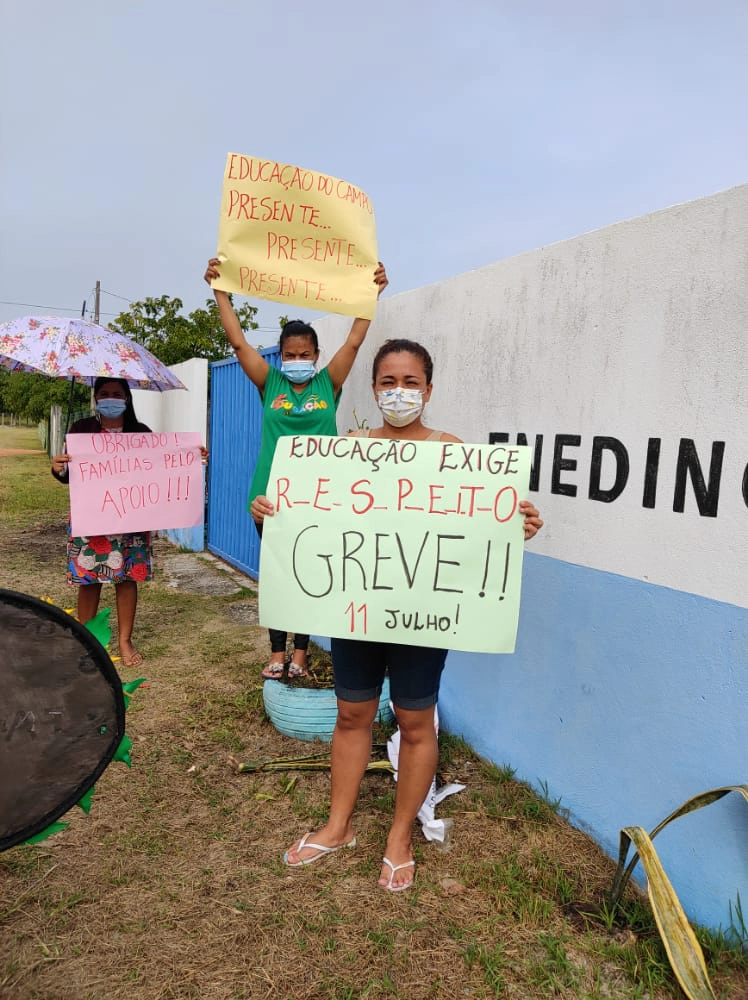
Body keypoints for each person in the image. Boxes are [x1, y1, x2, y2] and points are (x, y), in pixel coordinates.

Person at [252, 338, 544, 891]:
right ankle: (338, 825)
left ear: (428, 390)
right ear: (373, 389)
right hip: (357, 613)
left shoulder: (454, 453)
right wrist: (269, 508)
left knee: (415, 722)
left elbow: (484, 528)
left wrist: (518, 524)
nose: (399, 393)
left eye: (411, 383)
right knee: (351, 715)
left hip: (422, 619)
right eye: (389, 382)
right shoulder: (348, 452)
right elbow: (305, 512)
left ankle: (400, 836)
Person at [204, 257, 388, 680]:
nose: (298, 359)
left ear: (316, 354)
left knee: (309, 571)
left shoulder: (329, 382)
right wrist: (220, 291)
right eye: (290, 354)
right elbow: (237, 344)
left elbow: (356, 341)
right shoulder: (271, 383)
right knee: (278, 575)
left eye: (305, 353)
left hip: (320, 498)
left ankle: (301, 653)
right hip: (269, 499)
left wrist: (372, 292)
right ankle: (275, 650)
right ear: (281, 355)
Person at [51, 378, 154, 668]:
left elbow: (160, 468)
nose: (111, 399)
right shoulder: (81, 430)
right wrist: (57, 468)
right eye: (105, 394)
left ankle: (124, 639)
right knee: (89, 578)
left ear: (127, 399)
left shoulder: (142, 433)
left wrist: (190, 457)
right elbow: (69, 475)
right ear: (96, 398)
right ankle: (88, 639)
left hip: (131, 517)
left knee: (127, 577)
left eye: (117, 394)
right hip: (92, 516)